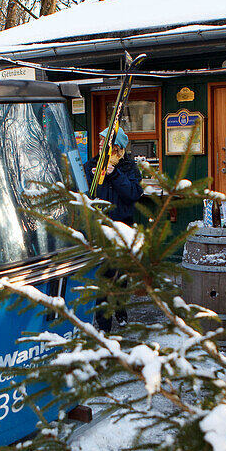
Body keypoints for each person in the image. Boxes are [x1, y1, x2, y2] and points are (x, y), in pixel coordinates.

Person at [86, 126, 143, 331]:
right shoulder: (92, 164)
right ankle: (103, 325)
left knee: (119, 277)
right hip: (100, 229)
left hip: (121, 228)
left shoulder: (128, 168)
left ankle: (120, 309)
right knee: (103, 276)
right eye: (100, 141)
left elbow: (133, 194)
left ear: (117, 147)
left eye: (104, 141)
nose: (100, 144)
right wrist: (92, 178)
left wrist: (114, 174)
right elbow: (83, 193)